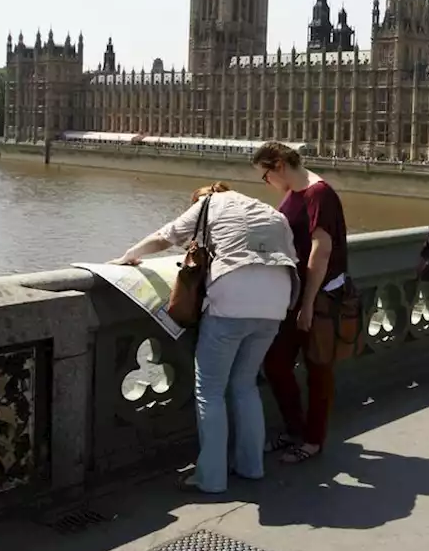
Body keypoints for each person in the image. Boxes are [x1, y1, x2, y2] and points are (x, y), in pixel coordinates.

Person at [110, 182, 299, 494]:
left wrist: (129, 256)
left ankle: (211, 478)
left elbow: (165, 236)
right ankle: (251, 466)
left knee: (209, 391)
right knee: (245, 385)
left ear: (203, 199)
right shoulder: (270, 212)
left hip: (231, 302)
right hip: (277, 304)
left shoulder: (210, 204)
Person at [253, 141, 351, 464]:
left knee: (318, 367)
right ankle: (295, 428)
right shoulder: (294, 194)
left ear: (279, 165)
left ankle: (313, 440)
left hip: (319, 297)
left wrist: (308, 303)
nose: (266, 183)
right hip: (294, 295)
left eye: (265, 176)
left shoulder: (317, 193)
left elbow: (320, 252)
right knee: (276, 363)